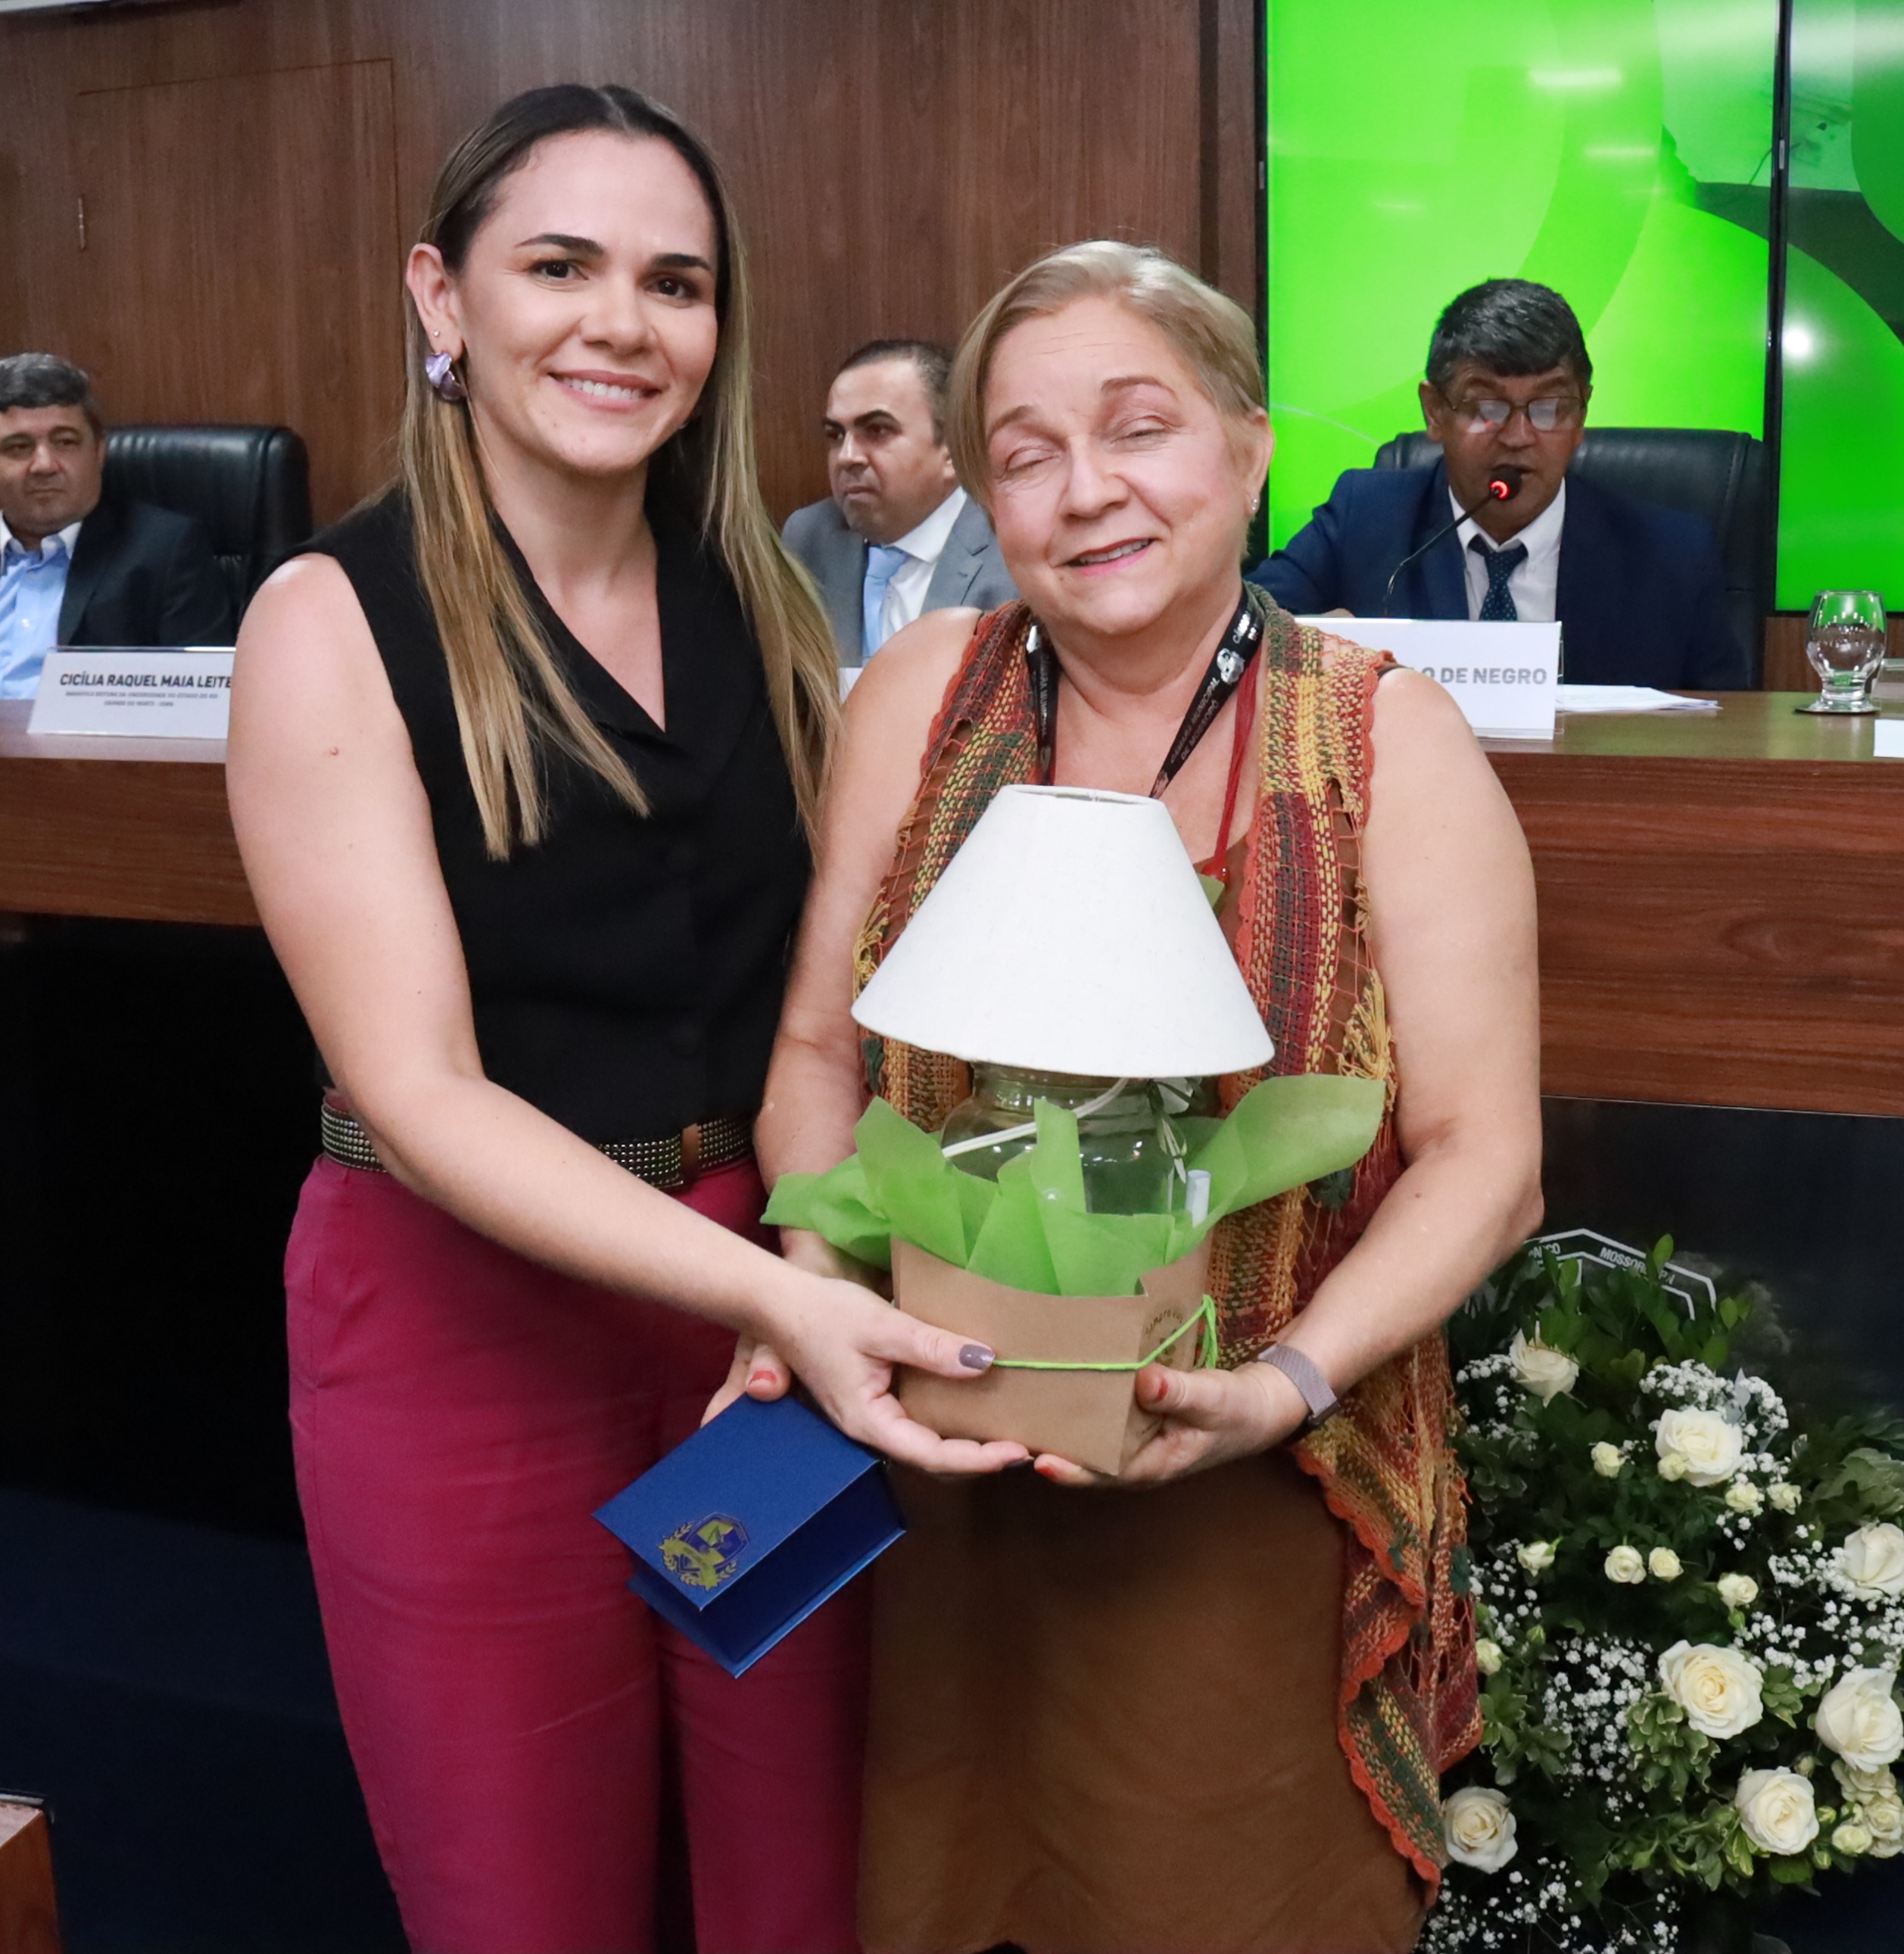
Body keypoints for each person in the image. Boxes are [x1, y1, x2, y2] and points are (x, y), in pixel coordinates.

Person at [224, 84, 1021, 1953]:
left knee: (791, 1878)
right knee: (529, 1893)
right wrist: (781, 1291)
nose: (622, 323)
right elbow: (415, 1087)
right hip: (462, 1331)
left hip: (756, 1331)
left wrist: (804, 1258)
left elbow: (823, 1000)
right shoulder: (331, 617)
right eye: (559, 267)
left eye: (675, 281)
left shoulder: (765, 595)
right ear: (442, 296)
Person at [755, 242, 1544, 1952]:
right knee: (944, 1889)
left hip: (1260, 1476)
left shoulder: (1386, 743)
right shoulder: (919, 696)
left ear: (1249, 449)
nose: (1086, 489)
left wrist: (1280, 1383)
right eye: (1027, 452)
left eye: (1138, 427)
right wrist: (820, 1297)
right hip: (940, 1458)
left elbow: (1486, 1160)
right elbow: (816, 1054)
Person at [1251, 278, 1747, 689]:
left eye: (1549, 408)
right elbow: (1242, 627)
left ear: (1580, 416)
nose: (1517, 437)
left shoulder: (1671, 557)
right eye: (1486, 408)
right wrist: (1318, 642)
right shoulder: (1365, 519)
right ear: (1435, 411)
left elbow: (1730, 732)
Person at [0, 354, 229, 700]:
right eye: (18, 447)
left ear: (99, 450)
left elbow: (200, 698)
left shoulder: (165, 551)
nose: (44, 465)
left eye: (65, 442)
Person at [780, 338, 1014, 665]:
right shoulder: (810, 538)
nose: (847, 457)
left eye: (877, 431)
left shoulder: (1008, 549)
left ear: (953, 450)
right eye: (836, 435)